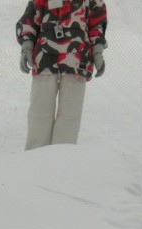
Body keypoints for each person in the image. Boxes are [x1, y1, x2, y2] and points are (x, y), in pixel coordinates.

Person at [17, 0, 107, 149]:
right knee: (40, 113)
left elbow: (97, 24)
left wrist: (98, 51)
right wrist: (26, 47)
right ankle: (35, 156)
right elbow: (30, 18)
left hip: (76, 62)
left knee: (70, 116)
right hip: (46, 61)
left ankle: (62, 156)